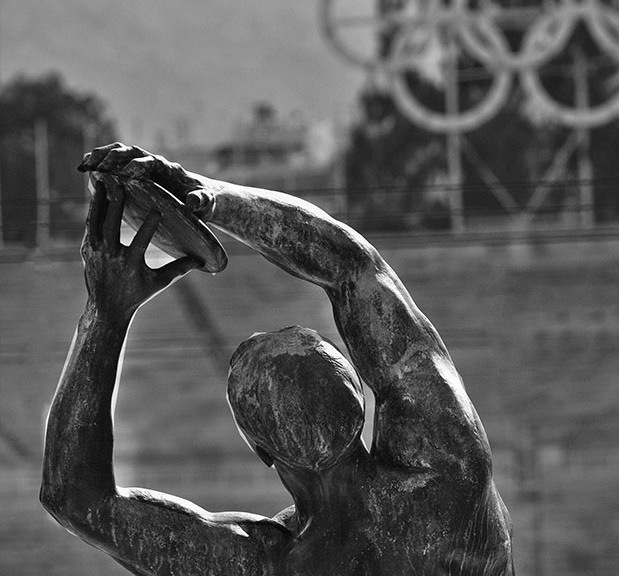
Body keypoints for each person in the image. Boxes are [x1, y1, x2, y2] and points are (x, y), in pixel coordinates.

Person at [40, 144, 514, 575]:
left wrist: (106, 312)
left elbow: (77, 501)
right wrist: (207, 194)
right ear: (361, 403)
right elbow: (355, 268)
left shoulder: (267, 564)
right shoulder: (451, 472)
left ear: (261, 449)